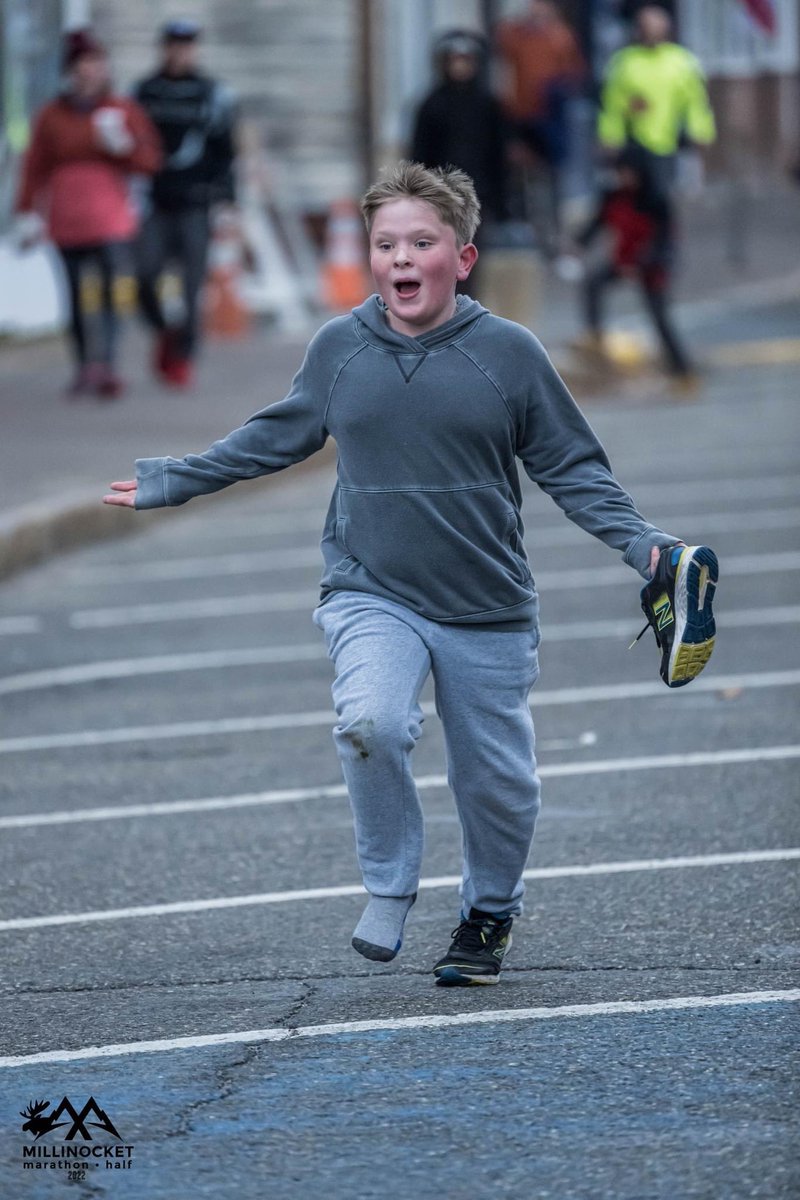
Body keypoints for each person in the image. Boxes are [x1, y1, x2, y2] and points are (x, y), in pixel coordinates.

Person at [103, 162, 718, 986]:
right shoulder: (340, 348)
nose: (401, 257)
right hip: (370, 590)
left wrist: (644, 547)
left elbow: (572, 467)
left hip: (485, 603)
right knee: (371, 723)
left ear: (461, 259)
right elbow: (275, 436)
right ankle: (390, 889)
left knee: (496, 783)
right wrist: (173, 478)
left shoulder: (510, 353)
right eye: (385, 242)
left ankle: (489, 913)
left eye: (421, 242)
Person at [14, 28, 161, 398]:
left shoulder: (122, 110)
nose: (90, 72)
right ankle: (84, 364)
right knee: (77, 293)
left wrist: (122, 146)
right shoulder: (51, 115)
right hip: (67, 214)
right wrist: (26, 211)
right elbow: (35, 166)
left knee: (113, 287)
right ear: (72, 70)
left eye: (96, 64)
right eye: (83, 65)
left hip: (109, 211)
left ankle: (107, 364)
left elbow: (148, 160)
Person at [133, 19, 237, 388]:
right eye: (173, 45)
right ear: (164, 49)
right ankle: (165, 332)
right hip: (155, 203)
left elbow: (226, 149)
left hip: (196, 203)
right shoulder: (144, 92)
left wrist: (227, 199)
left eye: (187, 45)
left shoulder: (211, 93)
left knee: (192, 289)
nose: (180, 52)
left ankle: (183, 358)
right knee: (144, 275)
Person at [572, 146, 694, 383]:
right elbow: (597, 224)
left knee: (659, 316)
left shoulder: (656, 201)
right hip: (624, 259)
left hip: (652, 266)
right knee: (593, 282)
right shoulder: (614, 196)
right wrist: (578, 243)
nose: (626, 178)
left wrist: (644, 263)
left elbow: (665, 242)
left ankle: (682, 369)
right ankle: (595, 335)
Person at [410, 29, 507, 295]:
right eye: (455, 60)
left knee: (470, 257)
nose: (460, 66)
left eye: (466, 60)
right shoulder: (431, 105)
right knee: (440, 256)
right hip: (440, 197)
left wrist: (502, 201)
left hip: (478, 195)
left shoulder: (488, 105)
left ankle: (466, 312)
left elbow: (498, 156)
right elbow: (419, 156)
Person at [496, 0, 586, 256]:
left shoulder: (559, 37)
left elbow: (573, 73)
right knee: (523, 178)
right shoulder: (517, 36)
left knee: (553, 178)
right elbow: (502, 48)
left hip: (550, 118)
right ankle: (530, 232)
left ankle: (555, 237)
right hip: (522, 116)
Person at [597, 4, 716, 199]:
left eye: (655, 26)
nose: (650, 31)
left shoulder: (681, 62)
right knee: (632, 199)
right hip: (633, 144)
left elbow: (697, 102)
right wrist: (610, 136)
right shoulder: (624, 62)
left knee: (662, 200)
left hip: (668, 143)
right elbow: (612, 106)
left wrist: (701, 131)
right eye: (645, 26)